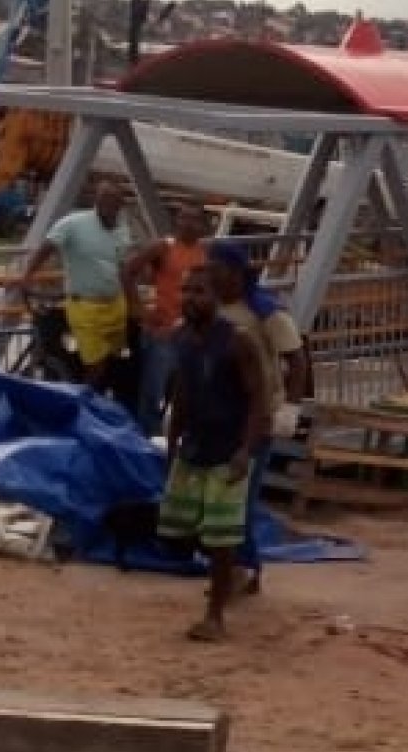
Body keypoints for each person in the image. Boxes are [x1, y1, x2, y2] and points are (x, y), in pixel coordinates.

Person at [158, 267, 269, 642]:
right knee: (184, 529)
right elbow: (183, 395)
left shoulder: (238, 341)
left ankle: (215, 615)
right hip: (195, 446)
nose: (190, 298)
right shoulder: (183, 339)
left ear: (216, 297)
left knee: (220, 539)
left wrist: (245, 450)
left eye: (199, 291)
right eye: (186, 290)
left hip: (227, 449)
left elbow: (259, 399)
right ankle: (228, 579)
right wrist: (172, 442)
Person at [205, 241, 309, 594]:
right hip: (219, 413)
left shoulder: (264, 312)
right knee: (218, 496)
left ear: (234, 273)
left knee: (241, 496)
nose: (209, 275)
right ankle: (234, 564)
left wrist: (290, 408)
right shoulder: (212, 309)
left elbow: (296, 360)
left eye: (215, 269)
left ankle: (243, 566)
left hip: (257, 414)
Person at [17, 180, 133, 392]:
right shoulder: (73, 223)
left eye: (112, 200)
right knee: (95, 365)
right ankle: (85, 408)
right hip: (85, 306)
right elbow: (47, 247)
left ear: (120, 204)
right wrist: (27, 275)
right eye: (102, 198)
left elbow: (122, 264)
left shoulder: (123, 229)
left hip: (116, 304)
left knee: (117, 361)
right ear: (96, 200)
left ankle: (104, 406)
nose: (106, 204)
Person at [121, 202, 210, 436]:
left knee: (185, 391)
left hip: (192, 334)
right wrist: (140, 310)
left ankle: (176, 438)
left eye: (193, 219)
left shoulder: (205, 252)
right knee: (153, 391)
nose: (187, 223)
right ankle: (145, 438)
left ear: (203, 225)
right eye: (182, 218)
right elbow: (129, 270)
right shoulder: (164, 247)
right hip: (163, 333)